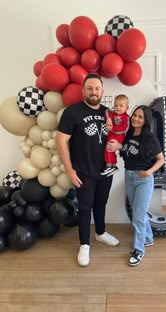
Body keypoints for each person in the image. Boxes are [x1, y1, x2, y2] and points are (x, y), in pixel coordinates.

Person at [56, 73, 121, 267]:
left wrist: (117, 145)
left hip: (105, 170)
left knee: (101, 203)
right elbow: (61, 140)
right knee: (85, 209)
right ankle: (84, 244)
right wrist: (69, 170)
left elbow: (119, 135)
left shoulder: (108, 113)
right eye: (90, 88)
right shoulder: (72, 112)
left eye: (97, 88)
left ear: (102, 91)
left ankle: (100, 233)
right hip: (83, 171)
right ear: (83, 91)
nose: (94, 92)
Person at [120, 105, 165, 266]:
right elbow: (124, 151)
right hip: (129, 176)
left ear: (145, 120)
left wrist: (149, 171)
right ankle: (148, 238)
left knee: (138, 216)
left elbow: (161, 159)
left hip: (144, 179)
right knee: (138, 212)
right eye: (135, 115)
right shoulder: (129, 134)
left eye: (140, 117)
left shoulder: (150, 138)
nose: (136, 119)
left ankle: (139, 250)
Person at [100, 94, 129, 177]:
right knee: (110, 150)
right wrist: (108, 119)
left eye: (121, 106)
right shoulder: (113, 113)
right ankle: (113, 165)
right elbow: (106, 111)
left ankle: (109, 165)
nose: (118, 107)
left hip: (118, 136)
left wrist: (112, 128)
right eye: (116, 105)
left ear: (126, 108)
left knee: (108, 149)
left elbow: (124, 128)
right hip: (112, 134)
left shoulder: (126, 117)